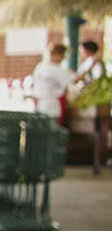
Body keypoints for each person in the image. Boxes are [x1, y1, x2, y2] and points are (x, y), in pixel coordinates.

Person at [72, 40, 106, 174]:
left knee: (97, 131)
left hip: (93, 103)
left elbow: (96, 81)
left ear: (86, 50)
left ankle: (98, 159)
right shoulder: (88, 63)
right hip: (87, 102)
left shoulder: (95, 63)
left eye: (81, 49)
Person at [27, 43, 73, 121]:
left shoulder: (40, 66)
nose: (63, 59)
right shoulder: (56, 70)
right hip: (51, 107)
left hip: (39, 105)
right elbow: (74, 79)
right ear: (56, 55)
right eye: (62, 56)